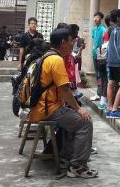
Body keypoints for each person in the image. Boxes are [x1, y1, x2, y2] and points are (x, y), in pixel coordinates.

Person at [29, 27, 97, 178]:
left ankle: (65, 159)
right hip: (49, 108)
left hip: (42, 106)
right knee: (85, 122)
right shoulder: (56, 59)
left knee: (72, 121)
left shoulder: (47, 55)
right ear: (62, 42)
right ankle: (78, 166)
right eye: (70, 42)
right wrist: (78, 109)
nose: (72, 45)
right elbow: (64, 91)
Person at [106, 9, 120, 119]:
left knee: (111, 83)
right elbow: (119, 47)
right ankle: (114, 109)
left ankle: (110, 107)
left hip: (110, 60)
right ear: (119, 18)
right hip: (117, 62)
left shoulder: (111, 29)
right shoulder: (118, 30)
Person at [91, 12, 106, 101]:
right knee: (97, 74)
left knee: (101, 74)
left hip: (101, 54)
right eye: (94, 17)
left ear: (101, 19)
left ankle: (101, 93)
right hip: (94, 53)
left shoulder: (103, 29)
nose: (95, 19)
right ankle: (98, 93)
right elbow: (94, 41)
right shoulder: (94, 29)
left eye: (97, 17)